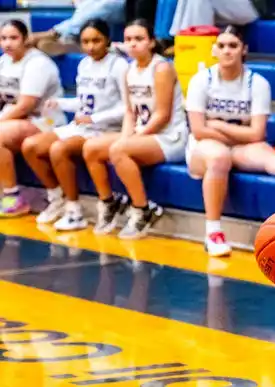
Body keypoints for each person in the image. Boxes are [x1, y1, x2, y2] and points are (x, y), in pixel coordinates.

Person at [185, 24, 275, 257]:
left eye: (233, 45)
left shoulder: (257, 83)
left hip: (239, 145)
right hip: (202, 149)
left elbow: (256, 134)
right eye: (221, 45)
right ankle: (213, 232)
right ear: (214, 50)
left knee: (264, 153)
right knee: (219, 157)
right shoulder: (201, 80)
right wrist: (234, 133)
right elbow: (199, 131)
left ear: (244, 49)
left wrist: (219, 125)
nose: (227, 50)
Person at [83, 18, 188, 239]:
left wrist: (131, 139)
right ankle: (109, 202)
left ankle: (142, 209)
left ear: (151, 42)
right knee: (91, 148)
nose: (133, 44)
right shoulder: (128, 70)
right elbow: (130, 113)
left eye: (139, 39)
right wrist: (126, 136)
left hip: (170, 137)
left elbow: (162, 115)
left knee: (119, 150)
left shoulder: (161, 68)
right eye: (128, 39)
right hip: (144, 133)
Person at [21, 19, 129, 231]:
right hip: (82, 126)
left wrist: (95, 119)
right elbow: (84, 101)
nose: (90, 46)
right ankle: (56, 198)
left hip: (107, 129)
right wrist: (59, 103)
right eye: (86, 41)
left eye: (96, 40)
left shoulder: (119, 66)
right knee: (31, 146)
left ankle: (74, 211)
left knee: (58, 149)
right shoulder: (84, 64)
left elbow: (127, 107)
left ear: (107, 40)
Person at [0, 19, 67, 218]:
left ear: (26, 39)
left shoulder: (38, 63)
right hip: (15, 119)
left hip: (45, 121)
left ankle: (13, 198)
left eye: (13, 38)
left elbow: (25, 105)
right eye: (3, 38)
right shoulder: (4, 61)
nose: (8, 43)